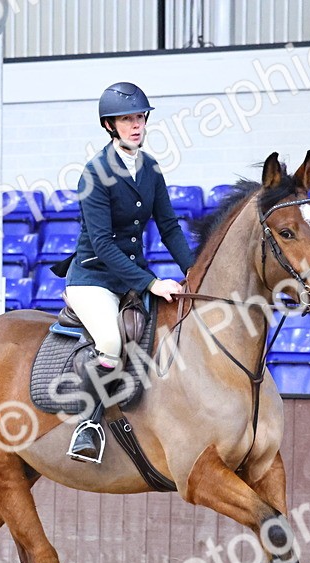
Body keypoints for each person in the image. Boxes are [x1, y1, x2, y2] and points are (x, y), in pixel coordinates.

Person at [62, 81, 194, 463]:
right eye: (126, 119)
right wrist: (151, 282)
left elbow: (168, 226)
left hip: (131, 275)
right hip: (94, 278)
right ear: (110, 126)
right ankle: (87, 426)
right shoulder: (94, 173)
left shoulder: (150, 168)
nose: (136, 125)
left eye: (140, 117)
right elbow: (102, 244)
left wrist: (195, 270)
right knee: (111, 341)